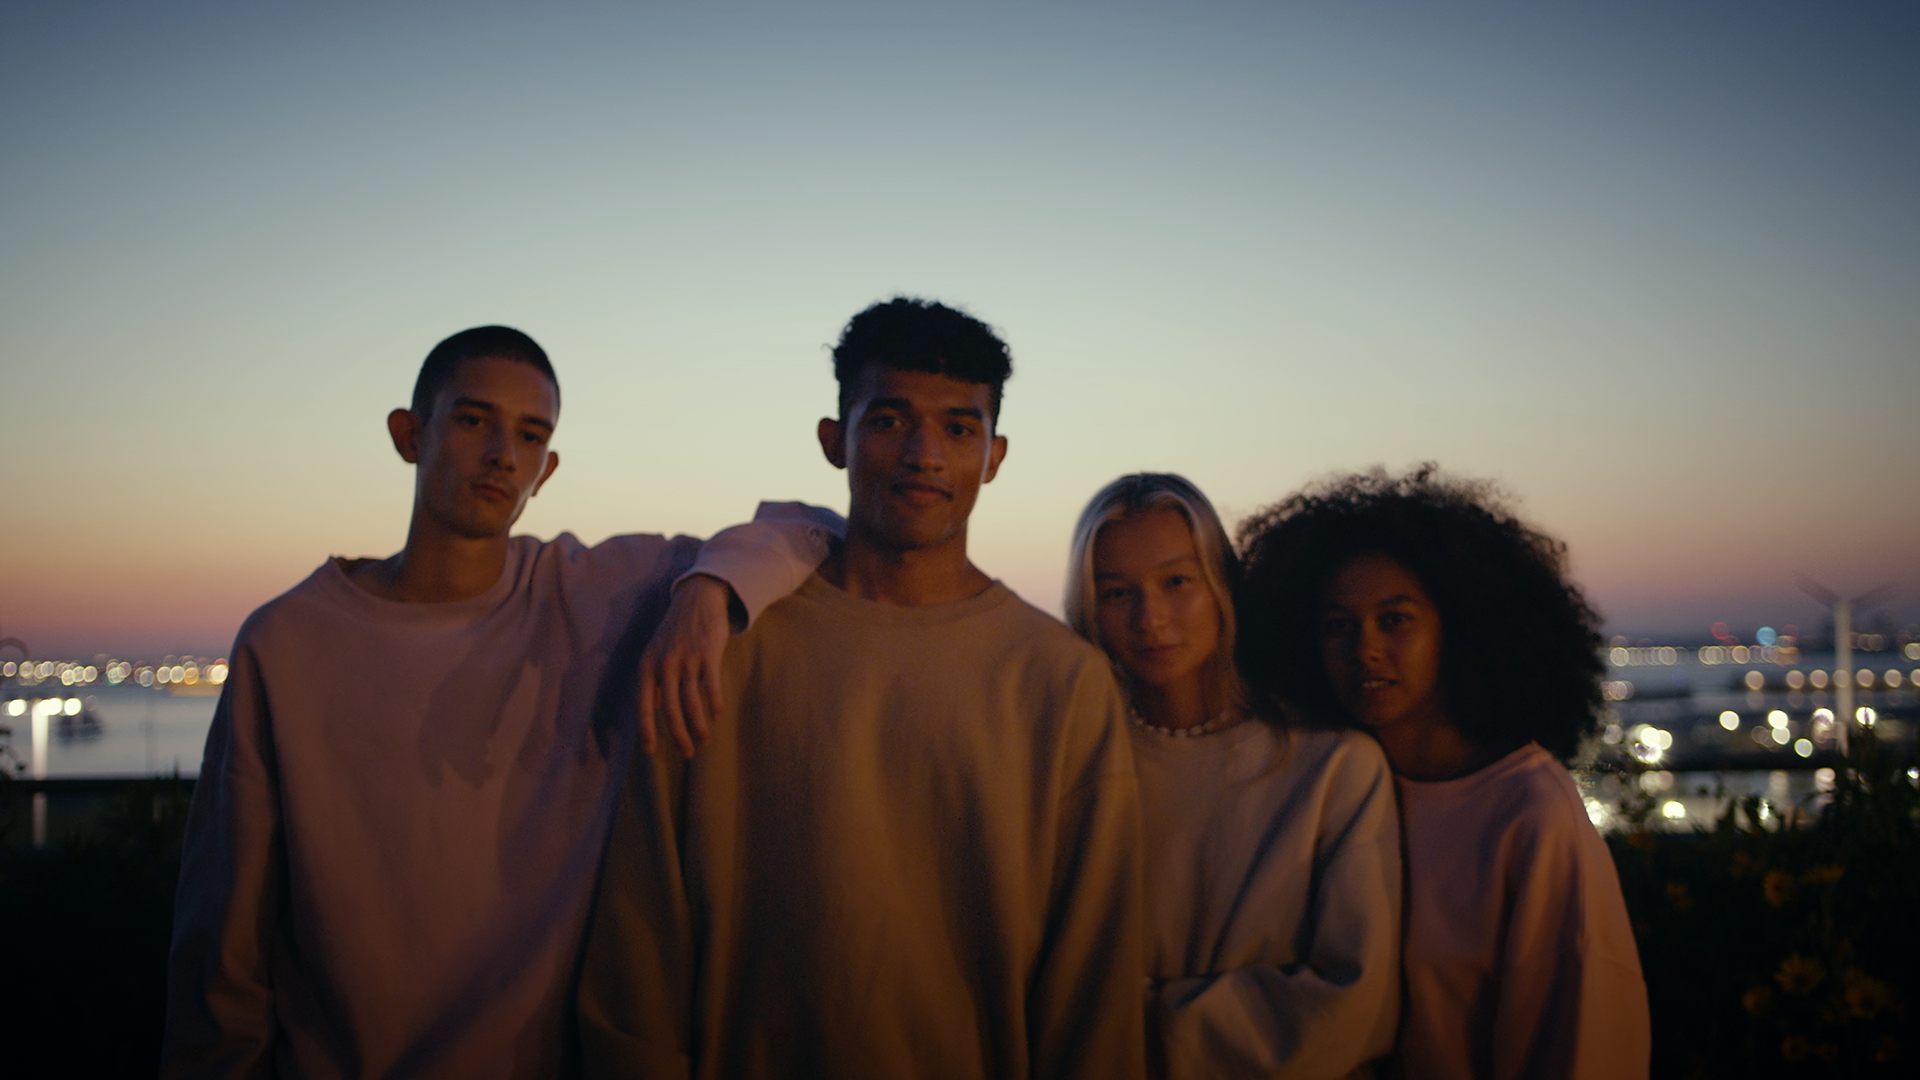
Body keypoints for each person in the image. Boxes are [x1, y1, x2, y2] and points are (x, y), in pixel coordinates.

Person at [161, 326, 839, 1079]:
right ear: (409, 434)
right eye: (473, 420)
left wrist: (705, 591)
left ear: (546, 471)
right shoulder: (285, 644)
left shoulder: (591, 593)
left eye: (530, 435)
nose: (501, 456)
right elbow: (225, 943)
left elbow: (811, 528)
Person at [578, 297, 1147, 1080]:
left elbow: (1094, 977)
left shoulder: (1058, 679)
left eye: (959, 427)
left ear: (997, 453)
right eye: (887, 420)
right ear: (832, 440)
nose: (924, 453)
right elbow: (642, 928)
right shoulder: (725, 643)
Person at [1236, 465, 1651, 1080]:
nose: (1365, 649)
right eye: (1337, 626)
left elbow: (1583, 1039)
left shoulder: (1529, 813)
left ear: (1457, 628)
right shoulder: (1326, 789)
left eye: (1395, 619)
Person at [1064, 473, 1400, 1080]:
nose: (1151, 617)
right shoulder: (1073, 766)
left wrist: (1124, 1035)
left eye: (1176, 582)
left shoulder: (1331, 766)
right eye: (1116, 592)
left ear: (1221, 583)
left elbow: (1358, 1004)